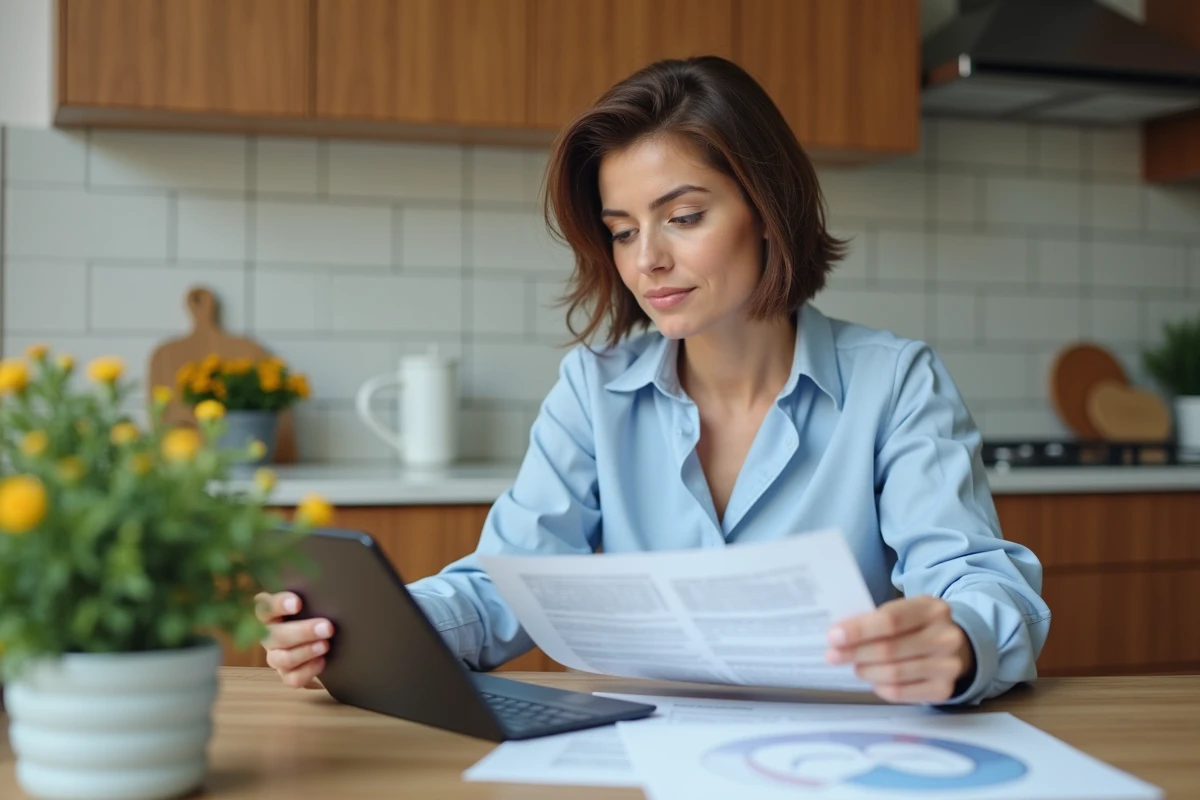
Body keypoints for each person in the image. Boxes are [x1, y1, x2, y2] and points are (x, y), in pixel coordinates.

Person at [256, 56, 1050, 706]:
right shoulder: (592, 391)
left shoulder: (896, 382)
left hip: (840, 762)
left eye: (685, 216)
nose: (647, 262)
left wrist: (960, 638)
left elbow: (976, 581)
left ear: (767, 212)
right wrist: (359, 627)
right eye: (623, 231)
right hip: (643, 760)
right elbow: (503, 588)